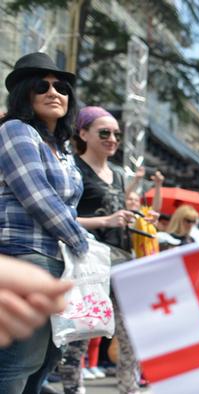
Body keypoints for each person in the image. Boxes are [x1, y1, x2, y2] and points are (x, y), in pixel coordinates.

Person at [0, 52, 90, 394]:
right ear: (25, 92)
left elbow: (66, 207)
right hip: (25, 255)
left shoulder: (63, 148)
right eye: (42, 85)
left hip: (58, 259)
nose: (54, 92)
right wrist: (81, 242)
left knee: (50, 356)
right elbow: (36, 195)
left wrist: (78, 246)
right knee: (19, 361)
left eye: (62, 87)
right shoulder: (15, 129)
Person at [59, 105, 141, 394]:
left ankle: (129, 388)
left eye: (116, 134)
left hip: (122, 259)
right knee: (82, 329)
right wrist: (105, 220)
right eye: (104, 132)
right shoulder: (72, 168)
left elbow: (121, 213)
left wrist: (138, 219)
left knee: (129, 331)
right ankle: (73, 388)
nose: (112, 139)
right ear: (83, 133)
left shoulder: (119, 174)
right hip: (87, 258)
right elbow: (60, 215)